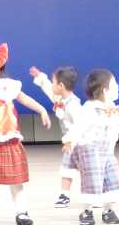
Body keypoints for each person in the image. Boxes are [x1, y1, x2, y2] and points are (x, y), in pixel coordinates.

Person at [0, 37, 51, 225]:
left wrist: (42, 110)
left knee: (17, 181)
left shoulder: (7, 86)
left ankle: (21, 212)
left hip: (10, 139)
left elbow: (24, 99)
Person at [62, 68, 119, 225]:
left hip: (107, 151)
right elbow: (78, 126)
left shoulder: (111, 107)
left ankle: (108, 210)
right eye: (114, 84)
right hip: (90, 150)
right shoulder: (89, 109)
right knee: (92, 181)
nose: (118, 87)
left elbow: (115, 122)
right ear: (105, 90)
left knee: (112, 179)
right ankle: (87, 211)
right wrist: (69, 140)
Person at [30, 65, 82, 207]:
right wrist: (40, 77)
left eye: (54, 82)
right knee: (67, 167)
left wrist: (69, 141)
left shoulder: (73, 105)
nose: (52, 85)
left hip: (80, 141)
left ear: (61, 86)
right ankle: (64, 195)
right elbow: (49, 89)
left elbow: (79, 125)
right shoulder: (60, 99)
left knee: (88, 170)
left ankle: (95, 194)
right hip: (70, 143)